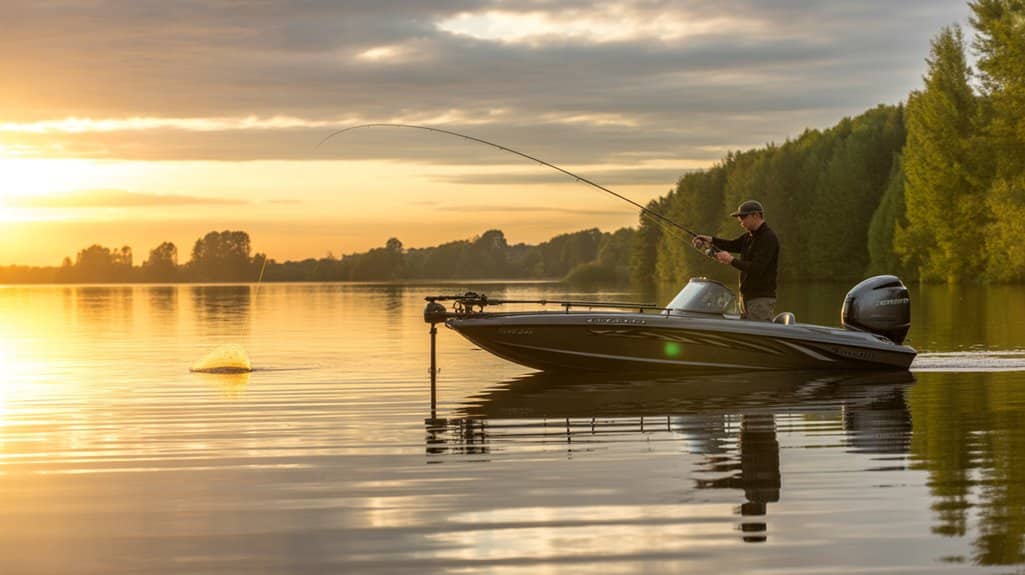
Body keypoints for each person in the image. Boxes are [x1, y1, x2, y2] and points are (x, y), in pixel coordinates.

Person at [692, 200, 779, 321]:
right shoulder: (749, 236)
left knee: (755, 333)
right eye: (739, 218)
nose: (741, 222)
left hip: (760, 300)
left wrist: (731, 260)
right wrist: (710, 240)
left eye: (743, 217)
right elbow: (731, 245)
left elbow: (757, 268)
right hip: (746, 298)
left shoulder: (768, 238)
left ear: (756, 215)